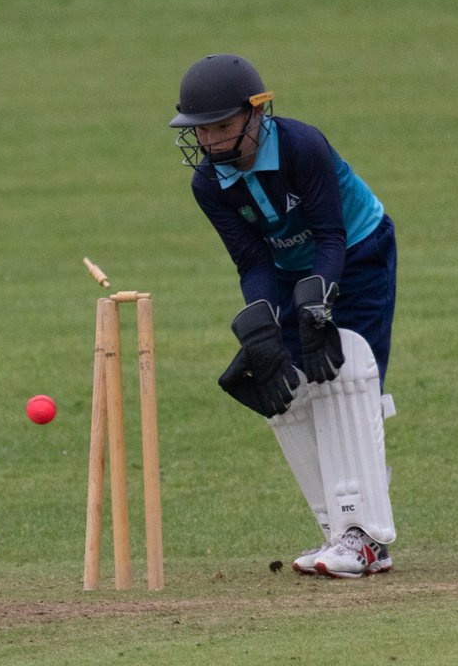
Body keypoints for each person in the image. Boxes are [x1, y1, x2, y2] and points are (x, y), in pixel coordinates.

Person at [169, 53, 398, 578]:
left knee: (348, 374)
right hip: (292, 272)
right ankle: (348, 530)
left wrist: (316, 303)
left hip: (358, 251)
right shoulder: (209, 184)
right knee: (296, 388)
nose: (210, 143)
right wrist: (264, 322)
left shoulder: (301, 145)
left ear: (257, 113)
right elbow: (253, 260)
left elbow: (331, 235)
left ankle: (365, 539)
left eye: (221, 127)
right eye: (200, 132)